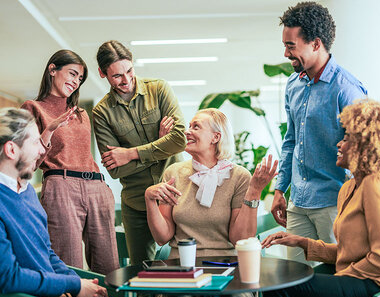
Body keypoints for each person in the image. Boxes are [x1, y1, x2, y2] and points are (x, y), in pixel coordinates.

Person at [262, 99, 380, 297]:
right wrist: (302, 242)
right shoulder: (349, 187)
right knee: (285, 278)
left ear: (366, 145)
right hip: (356, 276)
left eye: (346, 139)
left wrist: (341, 276)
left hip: (378, 283)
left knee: (281, 287)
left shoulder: (375, 184)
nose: (339, 144)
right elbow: (347, 253)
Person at [271, 1, 367, 264]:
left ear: (315, 43)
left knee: (339, 269)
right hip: (298, 202)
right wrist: (280, 189)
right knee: (295, 278)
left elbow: (365, 150)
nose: (285, 53)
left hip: (334, 202)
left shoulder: (346, 89)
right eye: (285, 45)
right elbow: (290, 140)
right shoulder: (293, 84)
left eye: (291, 46)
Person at [21, 50, 119, 275]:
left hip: (96, 187)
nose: (75, 82)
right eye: (72, 74)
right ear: (52, 69)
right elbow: (26, 163)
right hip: (61, 187)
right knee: (69, 266)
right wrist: (49, 131)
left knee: (109, 268)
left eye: (80, 78)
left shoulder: (82, 114)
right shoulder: (33, 108)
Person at [92, 40, 186, 265]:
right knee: (141, 273)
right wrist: (159, 143)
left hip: (177, 195)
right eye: (117, 76)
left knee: (187, 266)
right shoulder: (101, 113)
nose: (126, 80)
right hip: (137, 205)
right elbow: (116, 170)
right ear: (102, 74)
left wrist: (131, 153)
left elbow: (180, 139)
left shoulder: (159, 89)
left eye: (129, 70)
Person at [0, 107, 107, 297]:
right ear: (11, 150)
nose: (43, 150)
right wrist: (73, 285)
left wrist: (79, 284)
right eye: (35, 142)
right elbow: (9, 277)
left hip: (55, 291)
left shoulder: (27, 191)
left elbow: (47, 253)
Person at [145, 108, 278, 259]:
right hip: (181, 266)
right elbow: (162, 237)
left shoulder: (239, 176)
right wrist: (149, 199)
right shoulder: (173, 173)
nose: (187, 132)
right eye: (189, 126)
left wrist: (254, 191)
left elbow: (241, 239)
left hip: (225, 266)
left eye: (196, 127)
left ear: (215, 137)